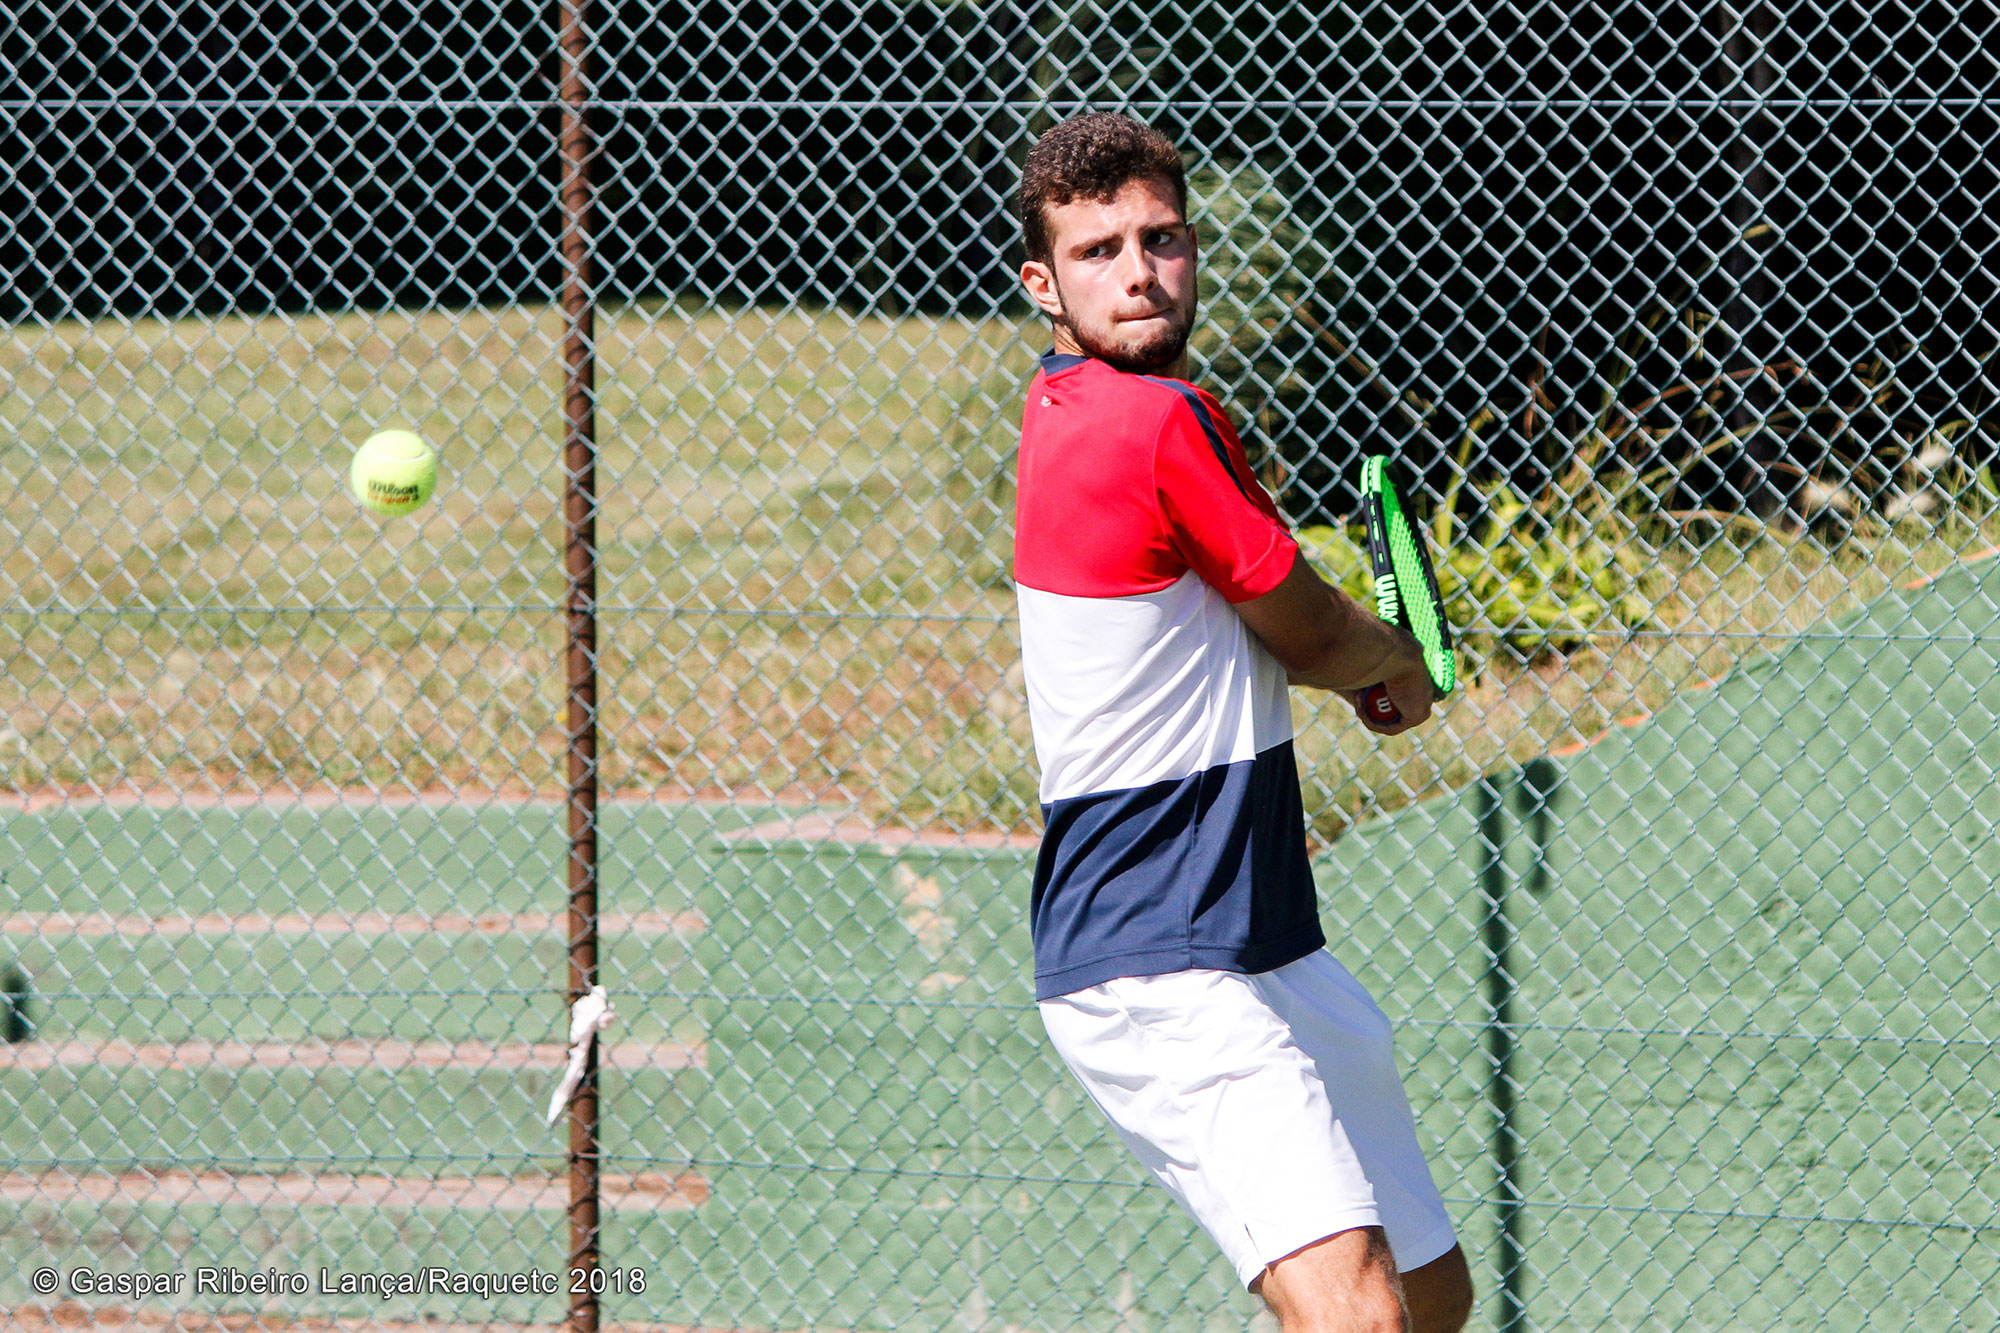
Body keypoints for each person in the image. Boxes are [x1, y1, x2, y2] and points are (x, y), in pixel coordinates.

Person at [1011, 111, 1475, 1333]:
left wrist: (1361, 662)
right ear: (1042, 285)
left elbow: (1247, 611)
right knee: (1358, 1318)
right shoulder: (1151, 421)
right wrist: (1394, 668)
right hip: (1159, 953)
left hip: (1264, 938)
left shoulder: (1071, 407)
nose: (1137, 272)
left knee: (1428, 1298)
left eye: (1159, 239)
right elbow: (1311, 633)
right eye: (1097, 250)